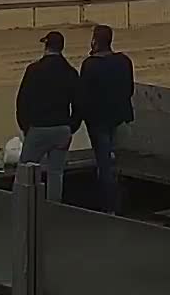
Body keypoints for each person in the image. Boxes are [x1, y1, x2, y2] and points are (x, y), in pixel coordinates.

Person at [77, 24, 135, 213]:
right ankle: (114, 201)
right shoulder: (124, 61)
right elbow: (129, 89)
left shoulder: (90, 65)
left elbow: (84, 95)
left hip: (99, 120)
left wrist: (77, 120)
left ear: (95, 41)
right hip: (119, 116)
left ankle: (109, 206)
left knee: (104, 162)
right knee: (111, 159)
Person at [15, 30, 79, 202]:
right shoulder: (71, 72)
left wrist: (25, 127)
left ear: (46, 46)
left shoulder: (34, 70)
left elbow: (22, 101)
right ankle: (53, 210)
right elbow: (79, 104)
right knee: (56, 173)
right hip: (61, 128)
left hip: (38, 128)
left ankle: (24, 207)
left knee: (26, 173)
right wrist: (71, 127)